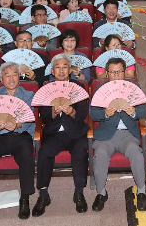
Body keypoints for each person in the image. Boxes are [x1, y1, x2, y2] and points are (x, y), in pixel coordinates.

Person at [0, 62, 36, 221]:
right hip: (0, 136)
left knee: (26, 157)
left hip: (21, 135)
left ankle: (25, 198)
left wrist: (17, 124)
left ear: (19, 77)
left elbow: (30, 119)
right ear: (1, 79)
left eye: (14, 74)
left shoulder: (28, 95)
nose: (11, 78)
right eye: (7, 75)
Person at [33, 54, 90, 216]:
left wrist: (71, 111)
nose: (61, 70)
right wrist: (52, 111)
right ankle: (43, 195)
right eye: (58, 67)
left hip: (75, 133)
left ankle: (79, 192)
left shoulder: (78, 87)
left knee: (80, 150)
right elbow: (42, 117)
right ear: (52, 70)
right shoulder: (46, 89)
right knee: (44, 152)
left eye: (65, 67)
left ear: (70, 70)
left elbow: (83, 115)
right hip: (54, 134)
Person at [90, 58, 146, 212]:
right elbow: (93, 114)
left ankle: (142, 191)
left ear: (125, 72)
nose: (116, 75)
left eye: (119, 72)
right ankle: (101, 193)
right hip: (106, 136)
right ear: (106, 74)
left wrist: (134, 112)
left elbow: (143, 111)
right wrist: (105, 114)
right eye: (112, 72)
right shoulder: (99, 89)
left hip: (128, 134)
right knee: (100, 155)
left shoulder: (134, 87)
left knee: (136, 152)